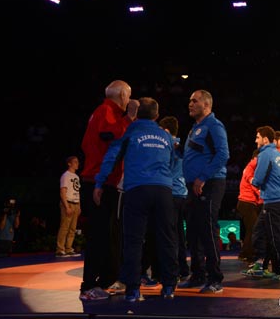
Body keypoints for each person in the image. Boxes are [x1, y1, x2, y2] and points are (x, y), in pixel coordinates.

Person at [94, 97, 178, 301]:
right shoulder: (166, 137)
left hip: (137, 189)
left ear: (137, 113)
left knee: (133, 240)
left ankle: (132, 291)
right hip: (163, 191)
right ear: (157, 116)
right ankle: (168, 287)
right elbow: (174, 163)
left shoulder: (129, 131)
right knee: (167, 239)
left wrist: (99, 183)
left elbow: (112, 156)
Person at [79, 80, 139, 301]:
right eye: (129, 96)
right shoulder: (106, 111)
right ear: (123, 95)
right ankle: (90, 286)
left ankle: (103, 282)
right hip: (99, 183)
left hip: (102, 181)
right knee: (100, 235)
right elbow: (112, 136)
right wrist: (130, 118)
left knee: (107, 234)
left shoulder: (104, 112)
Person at [180, 89, 229, 294]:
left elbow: (223, 155)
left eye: (195, 101)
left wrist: (203, 177)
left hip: (209, 183)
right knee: (193, 230)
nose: (190, 104)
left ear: (206, 105)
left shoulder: (214, 126)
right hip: (194, 185)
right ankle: (198, 274)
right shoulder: (195, 128)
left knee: (208, 229)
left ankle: (215, 279)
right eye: (190, 101)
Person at [242, 126, 280, 281]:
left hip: (272, 201)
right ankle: (259, 264)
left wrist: (249, 178)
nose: (256, 140)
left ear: (265, 139)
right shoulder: (279, 155)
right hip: (278, 200)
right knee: (259, 232)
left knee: (275, 236)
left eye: (258, 137)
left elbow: (257, 180)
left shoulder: (265, 154)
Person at [159, 115, 190, 281]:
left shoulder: (167, 146)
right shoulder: (183, 146)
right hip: (182, 194)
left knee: (170, 235)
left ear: (166, 130)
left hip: (170, 194)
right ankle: (183, 269)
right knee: (179, 235)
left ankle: (172, 270)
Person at [236, 149, 262, 263]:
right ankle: (248, 254)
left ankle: (245, 253)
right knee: (254, 228)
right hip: (246, 202)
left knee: (251, 229)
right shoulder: (252, 167)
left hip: (248, 203)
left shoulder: (251, 167)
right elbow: (254, 186)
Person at [56, 156, 82, 258]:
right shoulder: (65, 176)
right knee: (65, 227)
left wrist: (79, 206)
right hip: (68, 203)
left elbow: (77, 191)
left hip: (75, 203)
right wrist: (66, 206)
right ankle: (60, 249)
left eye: (78, 162)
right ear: (69, 163)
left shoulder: (76, 177)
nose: (77, 164)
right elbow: (63, 192)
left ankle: (68, 248)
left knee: (72, 228)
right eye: (75, 162)